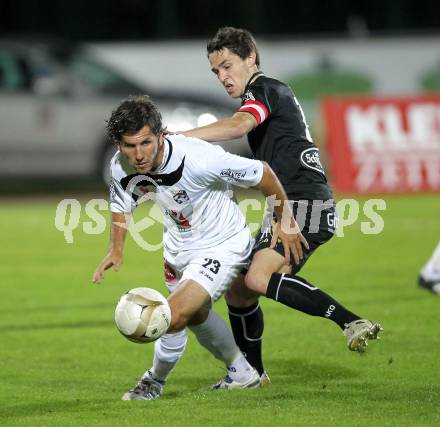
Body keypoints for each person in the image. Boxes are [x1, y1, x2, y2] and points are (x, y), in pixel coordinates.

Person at [181, 26, 382, 381]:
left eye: (228, 66)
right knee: (240, 289)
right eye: (216, 71)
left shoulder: (265, 89)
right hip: (288, 202)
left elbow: (239, 126)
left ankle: (350, 322)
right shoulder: (270, 92)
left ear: (250, 58)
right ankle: (251, 374)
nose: (223, 77)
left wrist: (177, 137)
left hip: (304, 201)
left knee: (260, 277)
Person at [92, 95, 308, 400]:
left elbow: (263, 173)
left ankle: (154, 381)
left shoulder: (199, 158)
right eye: (130, 145)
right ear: (118, 145)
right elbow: (121, 203)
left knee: (171, 315)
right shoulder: (120, 165)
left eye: (145, 143)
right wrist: (116, 250)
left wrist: (285, 220)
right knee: (194, 316)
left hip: (223, 244)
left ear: (161, 135)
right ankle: (242, 372)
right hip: (179, 246)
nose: (138, 154)